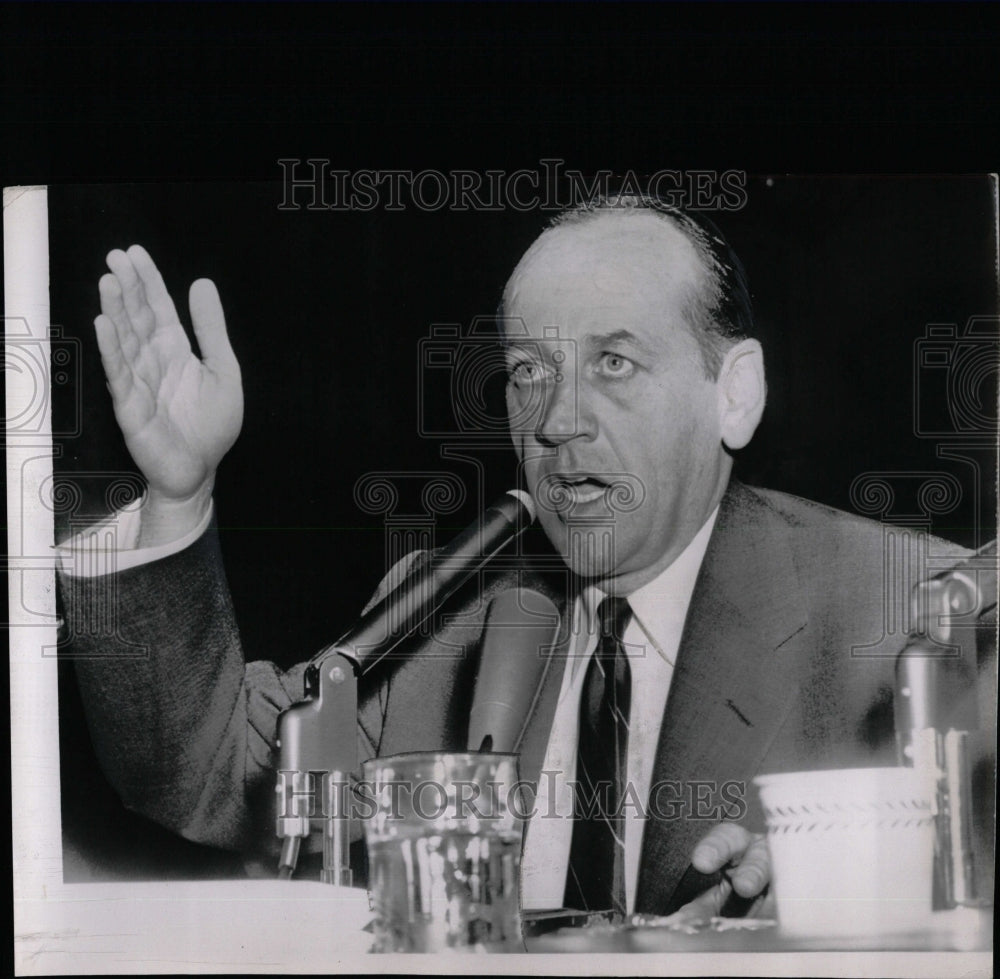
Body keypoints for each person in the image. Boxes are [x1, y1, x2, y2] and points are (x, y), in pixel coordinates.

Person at [58, 198, 994, 920]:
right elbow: (211, 771)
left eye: (614, 363)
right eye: (528, 372)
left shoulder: (915, 612)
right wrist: (179, 491)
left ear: (734, 394)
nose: (556, 420)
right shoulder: (440, 612)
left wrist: (865, 897)